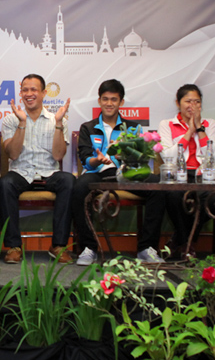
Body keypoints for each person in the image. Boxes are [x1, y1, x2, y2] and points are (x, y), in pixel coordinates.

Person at [71, 79, 168, 265]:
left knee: (157, 186)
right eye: (105, 99)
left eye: (114, 99)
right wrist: (97, 160)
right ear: (99, 101)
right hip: (97, 173)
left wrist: (124, 155)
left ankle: (146, 248)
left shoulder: (133, 128)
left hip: (125, 173)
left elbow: (140, 158)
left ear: (121, 102)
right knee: (78, 188)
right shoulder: (88, 127)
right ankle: (88, 248)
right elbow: (85, 159)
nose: (109, 103)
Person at [0, 74, 74, 264]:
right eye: (25, 90)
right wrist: (22, 124)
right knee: (5, 183)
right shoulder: (11, 120)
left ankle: (58, 245)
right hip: (21, 172)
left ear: (44, 93)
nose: (29, 94)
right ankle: (14, 246)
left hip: (49, 172)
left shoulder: (57, 119)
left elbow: (58, 156)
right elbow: (13, 154)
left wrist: (58, 124)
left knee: (69, 181)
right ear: (20, 93)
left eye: (34, 90)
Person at [142, 84, 215, 259]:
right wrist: (189, 132)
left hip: (204, 174)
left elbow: (212, 155)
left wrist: (199, 129)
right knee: (172, 195)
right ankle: (187, 244)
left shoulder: (210, 124)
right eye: (188, 101)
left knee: (214, 198)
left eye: (197, 101)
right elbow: (168, 155)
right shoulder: (167, 124)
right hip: (177, 174)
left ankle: (180, 240)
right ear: (178, 103)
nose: (192, 105)